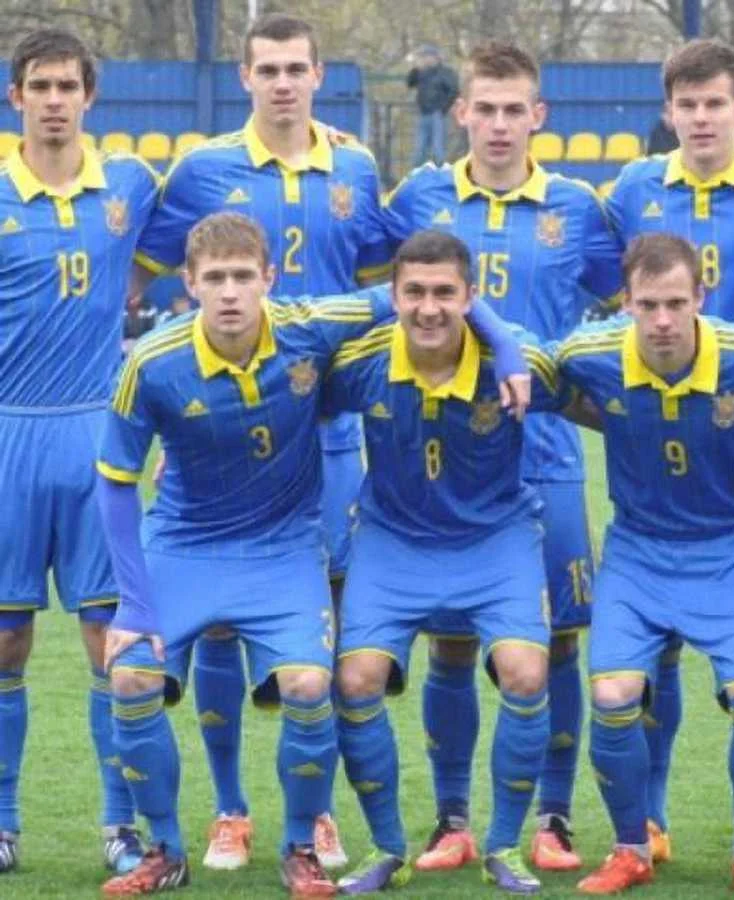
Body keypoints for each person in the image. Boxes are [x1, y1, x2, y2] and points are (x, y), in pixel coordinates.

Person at [97, 213, 526, 898]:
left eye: (243, 276)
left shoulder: (309, 325)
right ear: (189, 283)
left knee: (306, 684)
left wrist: (502, 345)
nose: (230, 292)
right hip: (184, 543)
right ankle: (165, 850)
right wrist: (134, 603)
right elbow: (116, 482)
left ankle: (300, 846)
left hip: (284, 545)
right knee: (130, 678)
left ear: (269, 278)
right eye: (215, 278)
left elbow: (420, 290)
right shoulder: (151, 360)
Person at [132, 12, 393, 871]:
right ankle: (230, 809)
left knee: (327, 624)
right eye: (268, 69)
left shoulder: (356, 166)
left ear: (320, 75)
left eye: (296, 68)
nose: (283, 82)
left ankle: (317, 815)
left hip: (330, 432)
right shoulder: (203, 168)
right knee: (215, 624)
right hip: (225, 427)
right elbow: (143, 279)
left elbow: (380, 295)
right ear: (245, 77)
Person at [383, 41, 624, 874]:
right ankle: (452, 816)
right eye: (483, 108)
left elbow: (627, 305)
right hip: (445, 460)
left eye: (512, 109)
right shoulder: (419, 197)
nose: (497, 124)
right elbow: (380, 298)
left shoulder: (578, 208)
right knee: (451, 643)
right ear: (460, 113)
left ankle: (553, 817)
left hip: (546, 455)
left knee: (557, 643)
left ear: (537, 116)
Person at [603, 38, 734, 874]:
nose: (700, 118)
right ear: (668, 112)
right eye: (686, 105)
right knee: (650, 644)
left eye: (715, 103)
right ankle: (647, 820)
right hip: (659, 434)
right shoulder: (632, 190)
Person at [559, 233, 734, 898]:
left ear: (701, 297)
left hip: (733, 549)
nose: (663, 320)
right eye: (648, 305)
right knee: (612, 698)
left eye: (676, 303)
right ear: (624, 303)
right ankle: (631, 846)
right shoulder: (590, 356)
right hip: (639, 552)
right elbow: (536, 370)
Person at [324, 230, 569, 896]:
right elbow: (287, 398)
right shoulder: (363, 359)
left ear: (470, 297)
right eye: (414, 292)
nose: (428, 308)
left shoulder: (517, 361)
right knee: (356, 680)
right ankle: (386, 849)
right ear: (392, 295)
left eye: (443, 293)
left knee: (525, 673)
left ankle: (504, 847)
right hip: (393, 538)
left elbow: (602, 394)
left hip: (496, 537)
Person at [0, 27, 160, 877]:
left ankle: (119, 824)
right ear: (16, 97)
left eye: (67, 86)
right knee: (5, 642)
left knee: (111, 639)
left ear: (89, 95)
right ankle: (2, 822)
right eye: (40, 86)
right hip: (7, 434)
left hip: (99, 437)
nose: (55, 100)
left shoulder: (130, 184)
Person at [407, 44, 459, 166]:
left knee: (438, 148)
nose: (425, 59)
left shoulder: (445, 72)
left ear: (435, 57)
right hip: (423, 113)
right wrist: (415, 68)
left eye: (427, 56)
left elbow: (453, 90)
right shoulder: (422, 73)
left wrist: (443, 108)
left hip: (438, 114)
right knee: (419, 148)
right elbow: (410, 83)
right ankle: (418, 172)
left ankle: (439, 171)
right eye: (423, 57)